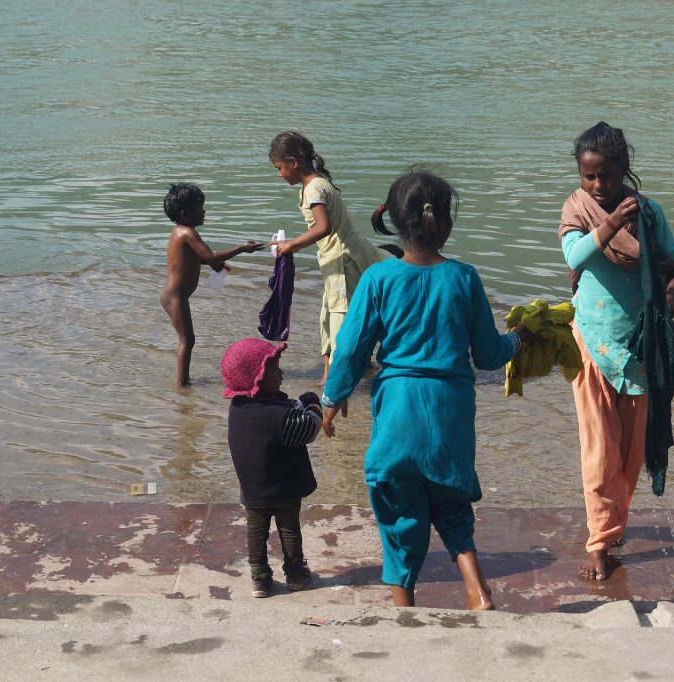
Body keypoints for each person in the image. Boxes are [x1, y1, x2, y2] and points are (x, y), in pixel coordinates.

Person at [319, 170, 530, 610]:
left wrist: (331, 401)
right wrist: (519, 338)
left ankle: (405, 610)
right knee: (452, 508)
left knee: (399, 513)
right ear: (445, 224)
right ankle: (477, 590)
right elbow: (489, 355)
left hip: (398, 409)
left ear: (394, 222)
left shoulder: (379, 279)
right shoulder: (464, 277)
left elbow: (351, 350)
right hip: (451, 410)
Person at [557, 122, 674, 581]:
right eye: (589, 176)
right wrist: (612, 222)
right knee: (598, 452)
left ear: (623, 170)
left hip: (641, 349)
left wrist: (669, 302)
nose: (597, 185)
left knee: (632, 453)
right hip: (591, 345)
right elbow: (574, 257)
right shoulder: (577, 208)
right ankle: (598, 542)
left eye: (606, 176)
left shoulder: (649, 215)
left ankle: (613, 527)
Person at [268, 131, 389, 387]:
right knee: (329, 316)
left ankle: (337, 385)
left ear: (292, 161)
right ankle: (339, 374)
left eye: (279, 168)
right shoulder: (318, 183)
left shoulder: (314, 188)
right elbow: (324, 231)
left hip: (343, 263)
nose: (279, 175)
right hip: (342, 259)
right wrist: (294, 246)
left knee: (341, 321)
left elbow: (322, 227)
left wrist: (291, 244)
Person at [221, 337, 321, 598]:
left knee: (256, 531)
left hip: (253, 489)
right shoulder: (279, 415)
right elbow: (309, 429)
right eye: (275, 370)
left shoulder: (238, 409)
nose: (282, 373)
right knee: (289, 529)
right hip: (284, 488)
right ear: (258, 379)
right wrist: (312, 402)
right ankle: (296, 574)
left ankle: (260, 580)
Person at [160, 183, 265, 385]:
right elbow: (210, 255)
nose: (204, 212)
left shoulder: (179, 231)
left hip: (174, 294)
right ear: (185, 213)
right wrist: (241, 248)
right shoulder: (187, 232)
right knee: (187, 340)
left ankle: (184, 382)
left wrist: (212, 264)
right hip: (175, 296)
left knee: (187, 339)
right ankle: (183, 384)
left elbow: (197, 258)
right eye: (200, 208)